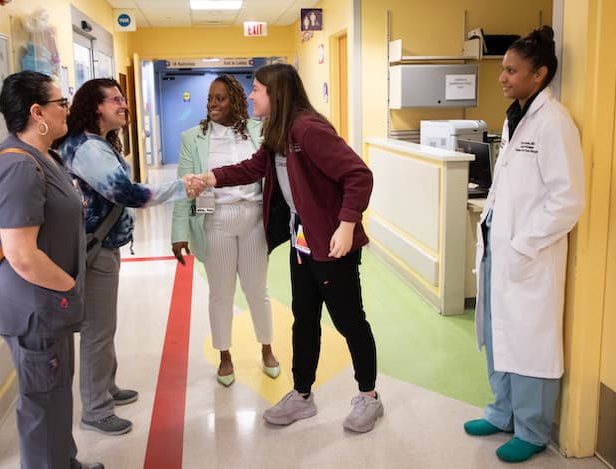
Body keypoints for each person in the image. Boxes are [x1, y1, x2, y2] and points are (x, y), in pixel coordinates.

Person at [200, 63, 383, 433]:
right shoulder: (278, 131)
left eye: (257, 90)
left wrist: (347, 225)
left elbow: (358, 175)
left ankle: (369, 396)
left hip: (333, 243)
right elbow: (255, 167)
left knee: (349, 321)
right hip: (303, 239)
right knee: (304, 318)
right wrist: (212, 177)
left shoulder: (308, 129)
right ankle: (302, 395)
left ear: (276, 93)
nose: (251, 95)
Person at [463, 26, 585, 463]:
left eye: (512, 70)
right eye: (504, 69)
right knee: (499, 333)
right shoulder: (516, 117)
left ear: (540, 75)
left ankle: (532, 428)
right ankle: (502, 412)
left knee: (531, 339)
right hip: (500, 247)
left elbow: (568, 200)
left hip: (528, 253)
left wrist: (523, 242)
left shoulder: (554, 123)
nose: (502, 77)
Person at [57, 78, 204, 436]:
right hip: (95, 251)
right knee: (97, 329)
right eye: (116, 100)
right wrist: (180, 186)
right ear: (96, 107)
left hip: (102, 246)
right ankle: (95, 409)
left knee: (103, 326)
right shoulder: (89, 148)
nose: (124, 105)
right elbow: (127, 193)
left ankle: (105, 386)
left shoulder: (96, 143)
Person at [0, 71, 102, 469]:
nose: (68, 110)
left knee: (54, 395)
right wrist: (70, 286)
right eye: (61, 103)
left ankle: (65, 461)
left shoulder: (43, 156)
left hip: (49, 303)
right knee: (40, 404)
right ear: (38, 112)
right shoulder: (19, 166)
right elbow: (21, 254)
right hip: (36, 306)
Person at [171, 74, 280, 387]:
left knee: (258, 291)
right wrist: (179, 232)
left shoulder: (260, 131)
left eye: (220, 98)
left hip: (254, 220)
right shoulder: (193, 138)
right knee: (221, 294)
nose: (213, 104)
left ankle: (267, 348)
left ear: (236, 98)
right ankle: (225, 355)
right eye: (210, 98)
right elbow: (185, 187)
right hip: (215, 220)